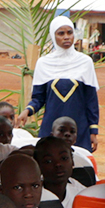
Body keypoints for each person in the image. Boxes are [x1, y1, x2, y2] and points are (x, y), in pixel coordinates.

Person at [22, 16, 100, 151]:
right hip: (51, 128)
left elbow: (91, 100)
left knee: (79, 165)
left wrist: (93, 131)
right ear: (53, 36)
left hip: (78, 130)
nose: (66, 37)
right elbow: (38, 98)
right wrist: (27, 111)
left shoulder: (85, 62)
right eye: (61, 33)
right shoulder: (44, 63)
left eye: (70, 33)